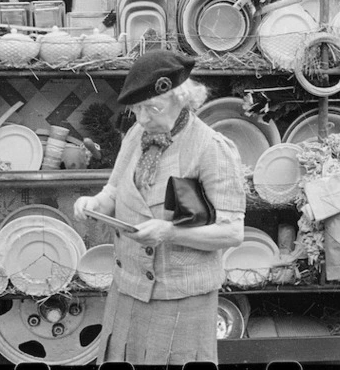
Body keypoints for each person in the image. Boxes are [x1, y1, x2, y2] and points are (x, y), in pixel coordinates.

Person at [73, 49, 246, 365]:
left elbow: (232, 233)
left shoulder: (212, 149)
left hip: (180, 298)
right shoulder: (138, 133)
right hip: (127, 291)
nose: (142, 118)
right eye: (137, 109)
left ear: (183, 98)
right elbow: (113, 189)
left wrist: (169, 232)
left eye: (152, 108)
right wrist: (93, 203)